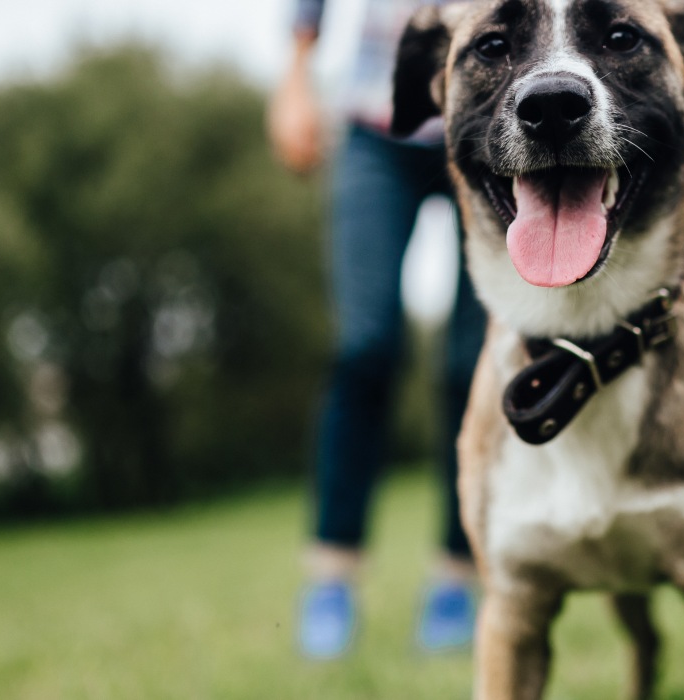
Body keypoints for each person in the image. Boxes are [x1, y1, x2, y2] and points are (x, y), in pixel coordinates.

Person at [269, 0, 486, 660]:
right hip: (373, 123)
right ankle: (332, 578)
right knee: (364, 349)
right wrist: (295, 78)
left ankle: (457, 575)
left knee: (471, 363)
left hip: (484, 114)